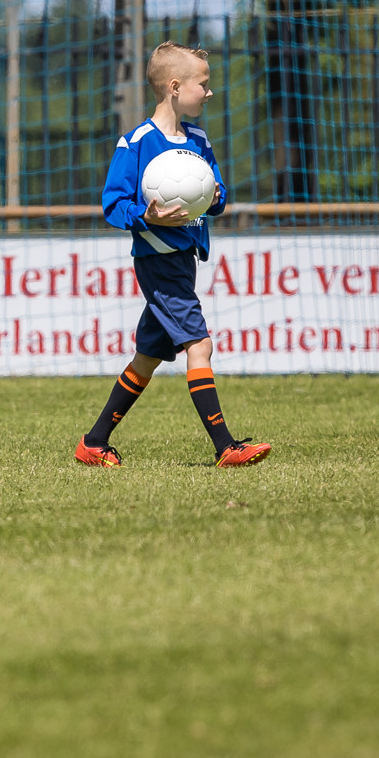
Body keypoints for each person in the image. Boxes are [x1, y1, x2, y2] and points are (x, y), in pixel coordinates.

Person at [77, 43, 270, 469]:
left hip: (184, 260)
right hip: (158, 261)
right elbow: (113, 204)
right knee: (200, 344)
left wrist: (215, 196)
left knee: (147, 358)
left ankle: (93, 442)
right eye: (204, 84)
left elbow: (217, 195)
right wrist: (145, 216)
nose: (209, 92)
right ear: (175, 86)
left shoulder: (199, 140)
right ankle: (226, 446)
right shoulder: (136, 143)